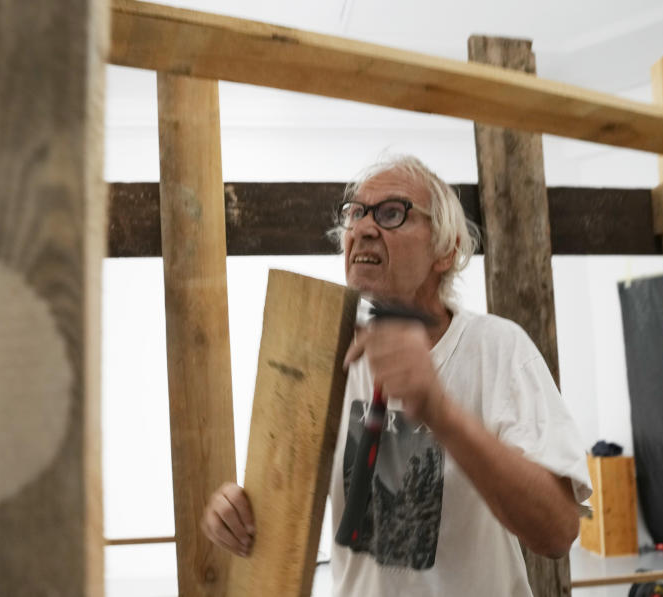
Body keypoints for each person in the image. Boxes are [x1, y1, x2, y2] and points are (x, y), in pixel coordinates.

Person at [201, 155, 591, 595]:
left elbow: (557, 533)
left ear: (446, 249)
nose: (364, 228)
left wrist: (440, 412)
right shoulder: (319, 353)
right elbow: (273, 510)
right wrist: (233, 514)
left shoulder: (497, 348)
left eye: (392, 213)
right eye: (356, 213)